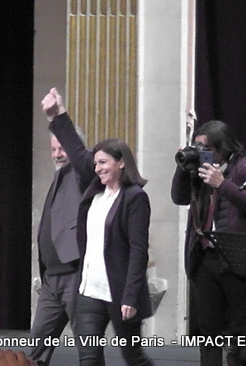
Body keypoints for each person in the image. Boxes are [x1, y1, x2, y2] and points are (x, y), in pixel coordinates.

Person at [170, 120, 246, 366]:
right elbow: (179, 198)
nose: (200, 152)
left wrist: (221, 183)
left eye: (205, 148)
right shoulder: (199, 171)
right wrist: (182, 167)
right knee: (208, 329)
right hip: (204, 258)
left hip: (235, 260)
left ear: (222, 148)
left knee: (242, 329)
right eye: (196, 147)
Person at [31, 88, 96, 364]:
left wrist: (58, 116)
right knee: (36, 349)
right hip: (51, 280)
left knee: (88, 351)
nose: (58, 154)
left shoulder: (83, 174)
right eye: (53, 149)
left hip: (75, 276)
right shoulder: (59, 177)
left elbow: (80, 155)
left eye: (62, 149)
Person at [75, 138, 154, 366]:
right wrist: (56, 121)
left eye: (103, 162)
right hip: (89, 292)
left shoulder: (135, 197)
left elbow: (139, 251)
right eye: (95, 164)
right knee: (89, 359)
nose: (97, 168)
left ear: (121, 162)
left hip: (119, 293)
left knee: (133, 357)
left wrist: (131, 296)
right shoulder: (95, 195)